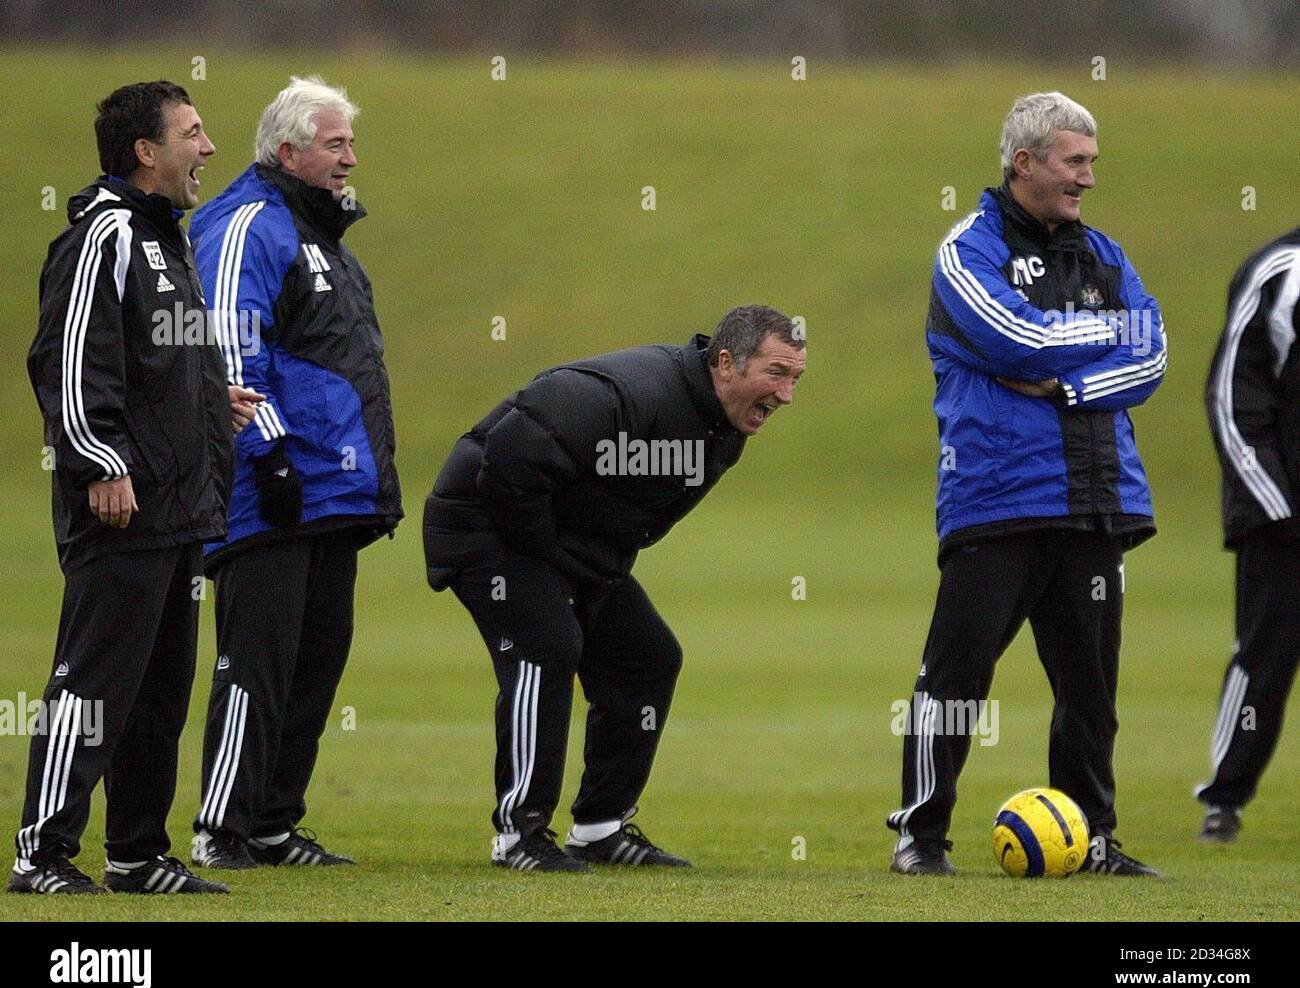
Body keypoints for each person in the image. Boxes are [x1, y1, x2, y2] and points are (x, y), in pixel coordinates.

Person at [886, 92, 1167, 876]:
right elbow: (1012, 337)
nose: (1088, 179)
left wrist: (1072, 384)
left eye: (1091, 163)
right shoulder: (967, 250)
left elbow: (1152, 356)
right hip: (997, 495)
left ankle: (1094, 842)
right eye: (1074, 161)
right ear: (1024, 162)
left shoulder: (1106, 255)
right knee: (956, 676)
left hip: (1095, 500)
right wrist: (1104, 336)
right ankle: (921, 835)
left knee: (1091, 692)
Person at [424, 305, 805, 871]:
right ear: (726, 362)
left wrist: (583, 564)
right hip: (482, 523)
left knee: (647, 658)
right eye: (777, 372)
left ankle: (600, 828)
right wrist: (552, 559)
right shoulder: (633, 391)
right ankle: (519, 834)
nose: (787, 394)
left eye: (796, 378)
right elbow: (510, 456)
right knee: (547, 644)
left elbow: (630, 512)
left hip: (563, 544)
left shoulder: (721, 424)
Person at [13, 81, 254, 895]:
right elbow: (68, 358)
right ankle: (42, 854)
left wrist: (209, 399)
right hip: (123, 501)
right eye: (192, 133)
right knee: (92, 683)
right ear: (146, 152)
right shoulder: (104, 236)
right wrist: (97, 460)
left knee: (159, 693)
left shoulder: (164, 240)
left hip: (179, 505)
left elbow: (153, 359)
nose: (209, 148)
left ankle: (137, 854)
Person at [187, 77, 402, 870]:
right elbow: (228, 345)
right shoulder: (250, 224)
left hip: (330, 491)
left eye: (349, 142)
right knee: (260, 661)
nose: (351, 158)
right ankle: (223, 828)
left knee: (315, 661)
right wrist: (269, 451)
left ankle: (274, 824)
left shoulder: (322, 239)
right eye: (335, 143)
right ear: (288, 150)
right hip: (273, 485)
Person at [1197, 227, 1300, 843]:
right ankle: (1225, 799)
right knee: (1265, 656)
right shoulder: (1280, 272)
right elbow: (1232, 395)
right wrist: (1274, 504)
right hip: (1280, 517)